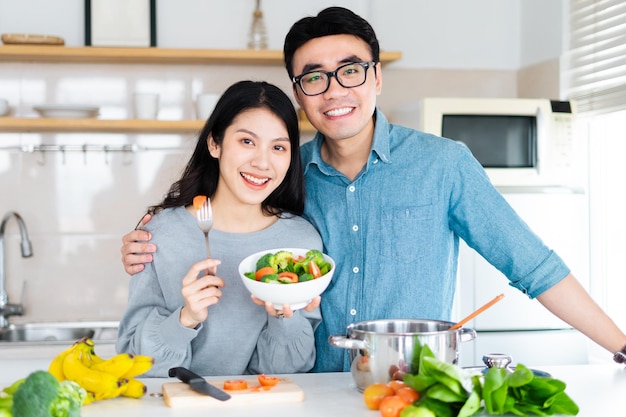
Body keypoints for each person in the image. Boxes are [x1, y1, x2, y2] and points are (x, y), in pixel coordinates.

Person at [120, 7, 626, 373]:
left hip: (412, 390)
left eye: (351, 70)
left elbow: (533, 266)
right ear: (299, 95)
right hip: (311, 395)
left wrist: (621, 347)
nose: (335, 90)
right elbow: (234, 223)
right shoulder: (286, 178)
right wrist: (159, 234)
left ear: (377, 77)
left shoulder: (442, 164)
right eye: (314, 78)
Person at [116, 80, 323, 377]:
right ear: (215, 144)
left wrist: (283, 317)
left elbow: (291, 372)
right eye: (247, 142)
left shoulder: (300, 241)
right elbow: (133, 364)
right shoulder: (159, 235)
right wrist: (185, 319)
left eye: (278, 147)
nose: (262, 162)